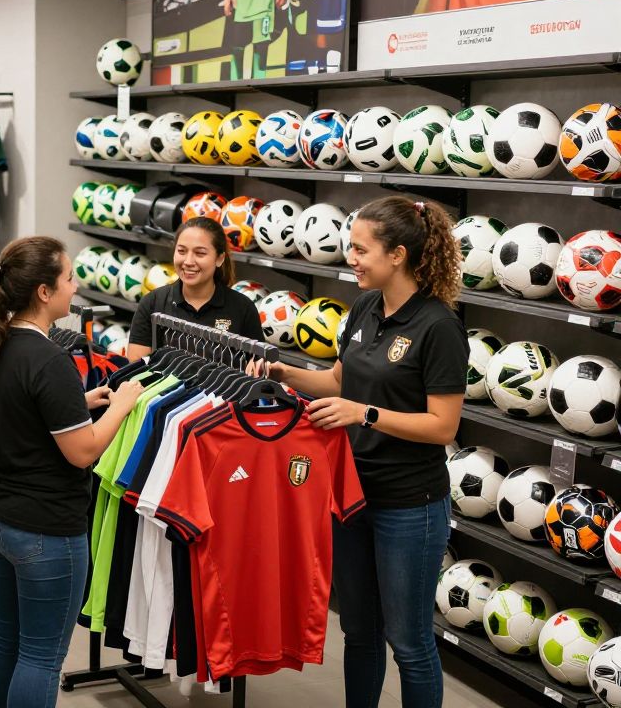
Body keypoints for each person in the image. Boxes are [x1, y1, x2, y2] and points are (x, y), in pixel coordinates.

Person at [250, 195, 467, 708]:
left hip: (409, 505)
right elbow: (337, 380)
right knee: (359, 632)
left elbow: (442, 427)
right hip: (350, 496)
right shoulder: (366, 306)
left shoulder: (438, 326)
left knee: (410, 643)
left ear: (397, 255)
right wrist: (286, 373)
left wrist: (362, 413)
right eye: (350, 246)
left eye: (360, 249)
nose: (350, 257)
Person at [0, 236, 143, 708]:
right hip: (44, 529)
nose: (74, 285)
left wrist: (75, 405)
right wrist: (120, 406)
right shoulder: (49, 359)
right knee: (41, 657)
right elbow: (82, 453)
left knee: (9, 636)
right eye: (67, 277)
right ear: (44, 292)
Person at [127, 216, 264, 360]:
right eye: (181, 251)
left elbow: (257, 372)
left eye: (200, 253)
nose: (188, 261)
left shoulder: (243, 308)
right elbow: (136, 369)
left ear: (219, 259)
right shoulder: (152, 303)